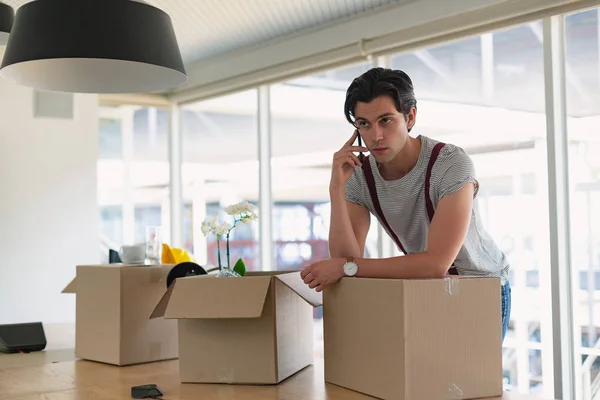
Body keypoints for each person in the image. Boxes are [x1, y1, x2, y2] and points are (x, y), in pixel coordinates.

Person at [300, 67, 512, 340]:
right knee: (431, 380)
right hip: (428, 286)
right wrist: (336, 189)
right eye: (363, 124)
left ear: (410, 117)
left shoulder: (450, 163)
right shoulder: (359, 176)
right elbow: (346, 257)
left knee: (471, 382)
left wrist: (346, 267)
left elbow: (435, 263)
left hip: (480, 286)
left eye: (385, 120)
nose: (375, 135)